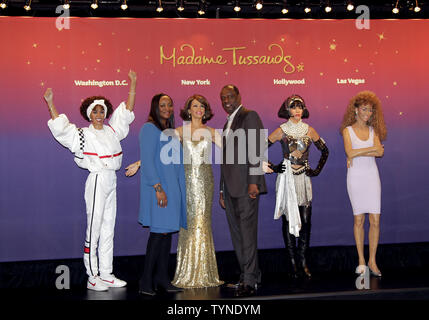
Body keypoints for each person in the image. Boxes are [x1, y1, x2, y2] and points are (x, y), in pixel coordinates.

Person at [44, 70, 137, 291]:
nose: (99, 114)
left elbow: (127, 111)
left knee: (108, 228)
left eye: (102, 111)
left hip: (112, 180)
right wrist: (50, 103)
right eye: (94, 111)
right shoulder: (82, 135)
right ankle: (92, 275)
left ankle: (106, 273)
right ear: (88, 114)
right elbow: (61, 129)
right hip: (96, 181)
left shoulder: (112, 131)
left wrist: (133, 84)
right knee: (94, 228)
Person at [268, 94, 329, 279]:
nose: (297, 110)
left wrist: (316, 170)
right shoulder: (281, 130)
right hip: (287, 179)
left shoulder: (309, 130)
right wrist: (274, 167)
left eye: (300, 107)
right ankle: (293, 263)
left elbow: (325, 150)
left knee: (306, 221)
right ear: (287, 109)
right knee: (288, 221)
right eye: (293, 107)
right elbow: (257, 150)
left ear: (304, 110)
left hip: (303, 178)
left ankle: (303, 261)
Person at [218, 84, 267, 297]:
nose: (227, 100)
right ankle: (249, 274)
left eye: (230, 96)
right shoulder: (227, 122)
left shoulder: (249, 116)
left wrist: (254, 181)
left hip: (247, 186)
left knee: (247, 234)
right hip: (229, 188)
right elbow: (226, 159)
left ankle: (250, 281)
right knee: (237, 235)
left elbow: (257, 149)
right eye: (223, 98)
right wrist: (221, 190)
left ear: (239, 95)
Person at [137, 93, 187, 296]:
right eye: (162, 104)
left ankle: (162, 278)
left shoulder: (172, 131)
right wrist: (158, 189)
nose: (167, 108)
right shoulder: (149, 129)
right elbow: (147, 162)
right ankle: (145, 280)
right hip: (159, 190)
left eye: (170, 104)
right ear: (155, 107)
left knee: (166, 236)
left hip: (172, 190)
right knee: (158, 235)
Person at [340, 91, 386, 277]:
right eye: (365, 109)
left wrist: (361, 151)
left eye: (371, 110)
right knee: (359, 219)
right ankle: (361, 260)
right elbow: (349, 153)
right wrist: (372, 149)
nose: (368, 113)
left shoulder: (373, 131)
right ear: (356, 109)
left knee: (375, 219)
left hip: (371, 176)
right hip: (356, 177)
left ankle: (372, 261)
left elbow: (380, 153)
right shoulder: (347, 131)